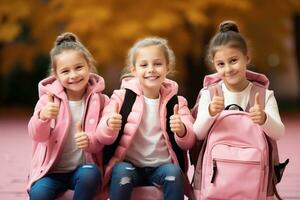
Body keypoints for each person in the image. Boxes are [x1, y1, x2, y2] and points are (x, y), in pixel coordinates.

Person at [96, 37, 195, 200]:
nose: (151, 69)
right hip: (129, 166)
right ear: (134, 70)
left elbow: (190, 141)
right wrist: (109, 124)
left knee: (174, 173)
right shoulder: (121, 98)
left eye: (157, 64)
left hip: (163, 167)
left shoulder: (177, 102)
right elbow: (102, 135)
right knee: (121, 172)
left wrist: (182, 130)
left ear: (167, 67)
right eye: (144, 65)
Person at [27, 32, 109, 200]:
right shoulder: (47, 101)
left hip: (83, 169)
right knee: (38, 194)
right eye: (65, 71)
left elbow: (106, 137)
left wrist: (90, 140)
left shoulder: (101, 101)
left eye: (79, 67)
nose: (73, 75)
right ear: (56, 75)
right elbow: (37, 135)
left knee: (90, 175)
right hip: (51, 172)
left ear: (89, 65)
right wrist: (43, 117)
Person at [193, 20, 285, 141]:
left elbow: (279, 134)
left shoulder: (264, 96)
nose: (228, 69)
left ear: (247, 58)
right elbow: (197, 135)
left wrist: (264, 119)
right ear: (214, 65)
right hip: (216, 160)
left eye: (233, 60)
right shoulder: (208, 95)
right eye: (221, 64)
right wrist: (210, 112)